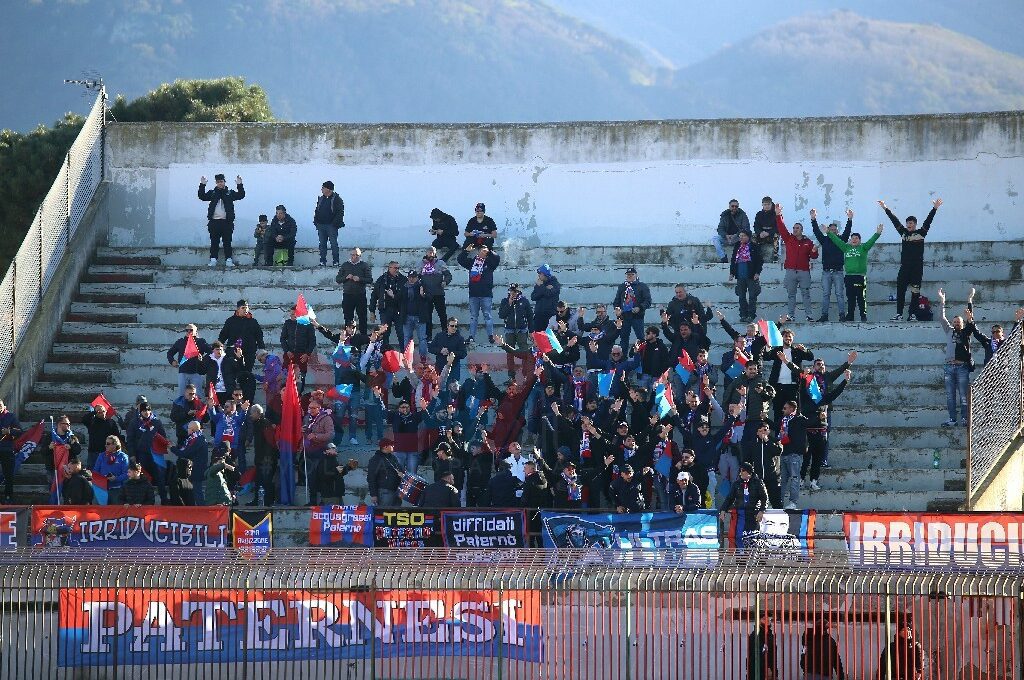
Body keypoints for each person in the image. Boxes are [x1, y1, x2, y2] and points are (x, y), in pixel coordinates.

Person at [880, 197, 942, 321]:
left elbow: (928, 221)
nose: (909, 225)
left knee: (915, 292)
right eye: (907, 223)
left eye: (911, 223)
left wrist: (934, 208)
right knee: (900, 290)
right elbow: (894, 220)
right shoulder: (903, 233)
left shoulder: (921, 233)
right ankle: (899, 314)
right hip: (904, 267)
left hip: (917, 268)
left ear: (915, 224)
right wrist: (885, 208)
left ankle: (912, 314)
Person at [828, 223, 883, 323]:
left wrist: (878, 233)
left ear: (860, 240)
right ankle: (850, 316)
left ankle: (863, 316)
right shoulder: (846, 248)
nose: (854, 239)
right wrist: (828, 232)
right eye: (853, 238)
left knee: (861, 297)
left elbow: (871, 241)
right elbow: (837, 240)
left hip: (860, 277)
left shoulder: (864, 248)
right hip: (849, 277)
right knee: (850, 298)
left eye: (856, 238)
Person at [938, 288, 976, 426]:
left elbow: (970, 319)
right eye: (954, 322)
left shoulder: (966, 332)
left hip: (962, 367)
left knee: (963, 395)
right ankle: (952, 419)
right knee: (950, 395)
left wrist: (970, 300)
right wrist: (942, 301)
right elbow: (942, 318)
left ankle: (965, 418)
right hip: (949, 367)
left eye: (958, 322)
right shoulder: (949, 330)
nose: (956, 324)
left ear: (962, 323)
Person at [774, 204, 819, 321]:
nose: (794, 230)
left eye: (797, 228)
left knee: (806, 294)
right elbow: (781, 227)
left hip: (804, 272)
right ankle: (791, 316)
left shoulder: (808, 242)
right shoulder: (788, 238)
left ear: (802, 230)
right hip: (790, 271)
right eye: (794, 228)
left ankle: (809, 315)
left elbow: (814, 256)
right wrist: (778, 214)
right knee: (791, 295)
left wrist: (814, 250)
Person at [811, 208, 852, 322]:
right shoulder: (824, 240)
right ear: (828, 231)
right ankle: (824, 316)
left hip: (838, 272)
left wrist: (850, 219)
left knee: (839, 294)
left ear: (837, 231)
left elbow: (847, 231)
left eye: (835, 230)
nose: (833, 231)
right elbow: (816, 231)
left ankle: (842, 316)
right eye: (831, 230)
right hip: (826, 272)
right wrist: (813, 219)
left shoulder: (842, 239)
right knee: (826, 294)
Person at [457, 243, 501, 344]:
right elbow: (460, 260)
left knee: (487, 316)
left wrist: (490, 251)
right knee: (473, 317)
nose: (483, 252)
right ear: (478, 251)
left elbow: (497, 258)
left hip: (486, 294)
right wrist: (466, 251)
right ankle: (471, 337)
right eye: (482, 250)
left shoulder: (490, 262)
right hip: (473, 294)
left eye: (485, 251)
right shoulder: (472, 262)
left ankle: (491, 336)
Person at [198, 173, 244, 267]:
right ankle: (213, 260)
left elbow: (241, 195)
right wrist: (202, 184)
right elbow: (202, 196)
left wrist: (239, 184)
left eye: (221, 181)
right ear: (216, 183)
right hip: (214, 222)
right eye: (218, 182)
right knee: (214, 242)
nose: (220, 183)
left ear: (224, 182)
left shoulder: (229, 193)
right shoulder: (212, 193)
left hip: (227, 222)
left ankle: (228, 260)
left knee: (227, 242)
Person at [303, 400, 335, 505]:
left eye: (313, 408)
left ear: (319, 408)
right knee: (310, 477)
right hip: (308, 451)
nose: (311, 410)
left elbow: (331, 435)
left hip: (321, 451)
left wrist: (316, 436)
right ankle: (312, 501)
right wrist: (302, 430)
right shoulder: (307, 418)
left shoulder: (326, 418)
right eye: (309, 408)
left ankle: (323, 501)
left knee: (321, 477)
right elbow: (306, 430)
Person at [218, 299, 265, 372]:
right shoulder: (230, 321)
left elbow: (259, 336)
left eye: (246, 307)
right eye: (243, 308)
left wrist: (261, 348)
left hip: (249, 352)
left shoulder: (253, 321)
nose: (245, 310)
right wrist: (218, 347)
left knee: (247, 373)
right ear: (238, 309)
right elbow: (223, 335)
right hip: (233, 352)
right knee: (233, 373)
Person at [499, 283, 533, 379]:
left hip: (522, 330)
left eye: (515, 291)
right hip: (509, 330)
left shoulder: (524, 301)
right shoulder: (505, 301)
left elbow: (530, 316)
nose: (513, 293)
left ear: (519, 292)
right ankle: (511, 376)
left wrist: (531, 331)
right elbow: (501, 315)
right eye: (511, 291)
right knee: (509, 353)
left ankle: (525, 375)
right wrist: (509, 304)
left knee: (525, 352)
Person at [166, 323, 211, 396]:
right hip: (183, 372)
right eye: (187, 330)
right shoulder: (180, 341)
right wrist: (172, 361)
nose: (189, 331)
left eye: (191, 330)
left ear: (196, 331)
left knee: (198, 395)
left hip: (197, 372)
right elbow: (169, 353)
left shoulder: (201, 341)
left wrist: (203, 359)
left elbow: (211, 352)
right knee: (182, 395)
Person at [335, 247, 373, 334]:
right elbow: (338, 279)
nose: (354, 257)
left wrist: (360, 279)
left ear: (360, 256)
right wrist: (346, 277)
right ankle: (348, 338)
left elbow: (370, 280)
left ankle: (363, 337)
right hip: (347, 295)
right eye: (352, 255)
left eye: (356, 255)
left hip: (360, 295)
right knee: (348, 318)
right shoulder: (345, 265)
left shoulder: (364, 265)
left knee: (362, 318)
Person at [281, 304, 317, 393]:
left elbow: (312, 341)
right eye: (291, 314)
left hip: (302, 356)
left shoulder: (308, 325)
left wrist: (307, 354)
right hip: (289, 355)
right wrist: (287, 351)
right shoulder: (288, 323)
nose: (291, 316)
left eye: (293, 314)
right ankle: (286, 395)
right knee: (286, 378)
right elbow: (283, 339)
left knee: (301, 378)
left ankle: (299, 395)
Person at [370, 261, 407, 347]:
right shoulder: (381, 279)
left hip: (399, 310)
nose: (397, 270)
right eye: (395, 268)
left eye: (398, 268)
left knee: (401, 333)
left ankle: (404, 353)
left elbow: (405, 296)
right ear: (389, 268)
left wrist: (394, 296)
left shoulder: (403, 279)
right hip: (385, 310)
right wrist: (372, 311)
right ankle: (385, 352)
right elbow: (374, 295)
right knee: (385, 333)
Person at [876, 613, 924, 680]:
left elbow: (920, 662)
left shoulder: (916, 646)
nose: (907, 632)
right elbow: (883, 664)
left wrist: (919, 672)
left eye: (909, 630)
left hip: (910, 677)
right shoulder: (891, 646)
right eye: (904, 630)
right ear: (899, 632)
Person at [720, 462, 769, 527]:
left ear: (749, 472)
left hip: (753, 513)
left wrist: (761, 511)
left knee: (752, 532)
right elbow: (729, 498)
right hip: (740, 513)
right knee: (739, 532)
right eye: (740, 471)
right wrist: (723, 510)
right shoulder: (736, 484)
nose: (740, 473)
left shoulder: (758, 483)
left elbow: (764, 498)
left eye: (743, 470)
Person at [729, 231, 763, 323]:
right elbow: (733, 260)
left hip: (751, 275)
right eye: (740, 236)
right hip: (740, 275)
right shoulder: (737, 246)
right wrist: (732, 273)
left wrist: (757, 273)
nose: (741, 237)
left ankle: (751, 315)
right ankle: (743, 314)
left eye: (743, 236)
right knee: (741, 296)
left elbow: (759, 261)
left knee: (752, 296)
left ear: (748, 237)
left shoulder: (754, 246)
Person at [613, 267, 652, 347]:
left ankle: (642, 354)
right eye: (628, 274)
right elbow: (617, 301)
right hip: (624, 316)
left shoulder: (642, 286)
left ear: (636, 275)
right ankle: (623, 354)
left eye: (632, 274)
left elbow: (648, 301)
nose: (630, 276)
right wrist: (617, 309)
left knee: (641, 337)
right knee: (623, 338)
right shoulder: (622, 286)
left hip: (637, 316)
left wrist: (640, 308)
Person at [420, 246, 453, 338]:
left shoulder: (440, 263)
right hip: (427, 294)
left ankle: (446, 335)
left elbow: (448, 275)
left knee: (442, 316)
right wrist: (420, 287)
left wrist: (445, 281)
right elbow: (416, 277)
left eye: (432, 252)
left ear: (435, 253)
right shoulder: (421, 264)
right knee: (428, 316)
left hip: (439, 293)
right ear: (426, 253)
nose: (430, 254)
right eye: (429, 252)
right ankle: (428, 337)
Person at [800, 616, 845, 680]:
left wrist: (803, 666)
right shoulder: (830, 641)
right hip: (824, 675)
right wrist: (841, 677)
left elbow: (803, 652)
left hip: (810, 673)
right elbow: (837, 661)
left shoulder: (808, 638)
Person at [174, 420, 209, 504]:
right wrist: (176, 447)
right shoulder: (194, 438)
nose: (187, 430)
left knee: (197, 492)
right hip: (194, 468)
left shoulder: (198, 440)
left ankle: (201, 509)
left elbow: (185, 453)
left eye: (189, 428)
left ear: (193, 430)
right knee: (194, 492)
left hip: (197, 470)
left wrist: (172, 448)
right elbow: (186, 449)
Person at [80, 400, 122, 469]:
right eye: (99, 412)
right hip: (94, 452)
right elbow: (84, 420)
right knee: (92, 471)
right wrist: (94, 412)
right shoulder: (92, 421)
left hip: (108, 451)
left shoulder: (111, 422)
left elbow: (116, 436)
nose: (102, 413)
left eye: (103, 411)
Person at [313, 180, 345, 267]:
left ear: (328, 189)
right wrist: (316, 222)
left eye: (323, 188)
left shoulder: (337, 199)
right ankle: (322, 261)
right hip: (321, 225)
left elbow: (340, 213)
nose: (321, 189)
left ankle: (336, 261)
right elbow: (317, 210)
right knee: (322, 244)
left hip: (331, 226)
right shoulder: (321, 199)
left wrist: (334, 224)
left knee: (333, 244)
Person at [401, 270, 430, 362]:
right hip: (407, 316)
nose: (411, 279)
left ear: (417, 278)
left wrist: (423, 294)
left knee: (422, 338)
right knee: (407, 338)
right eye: (409, 277)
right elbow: (400, 299)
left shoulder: (423, 285)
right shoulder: (404, 286)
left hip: (419, 317)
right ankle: (407, 357)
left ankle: (423, 358)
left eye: (413, 277)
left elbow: (430, 298)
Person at [92, 435, 129, 505]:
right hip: (102, 489)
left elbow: (126, 474)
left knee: (116, 510)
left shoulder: (123, 457)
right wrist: (102, 478)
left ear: (115, 445)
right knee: (100, 510)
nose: (106, 445)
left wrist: (116, 478)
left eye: (108, 444)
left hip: (117, 489)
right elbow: (95, 471)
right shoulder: (101, 456)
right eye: (106, 443)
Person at [367, 438, 404, 506]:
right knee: (385, 511)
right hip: (385, 491)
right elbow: (371, 477)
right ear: (385, 447)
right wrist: (373, 495)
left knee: (396, 511)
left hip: (396, 490)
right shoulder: (375, 459)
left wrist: (402, 473)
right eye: (391, 445)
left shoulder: (393, 457)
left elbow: (400, 469)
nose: (393, 446)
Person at [429, 317, 468, 382]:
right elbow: (430, 348)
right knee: (440, 386)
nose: (454, 328)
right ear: (447, 326)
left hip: (453, 369)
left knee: (452, 387)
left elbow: (463, 353)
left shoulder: (460, 338)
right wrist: (440, 350)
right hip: (440, 367)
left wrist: (451, 353)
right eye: (452, 326)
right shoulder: (439, 336)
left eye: (456, 326)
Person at [0, 399, 23, 502]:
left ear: (4, 406)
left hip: (7, 449)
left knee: (8, 474)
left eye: (0, 405)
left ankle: (8, 497)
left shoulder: (11, 416)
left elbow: (20, 431)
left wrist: (9, 431)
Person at [716, 198, 750, 263]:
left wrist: (736, 235)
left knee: (746, 238)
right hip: (727, 238)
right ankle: (723, 257)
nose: (734, 208)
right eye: (732, 206)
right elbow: (720, 228)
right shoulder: (724, 215)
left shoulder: (743, 215)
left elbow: (746, 228)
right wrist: (726, 235)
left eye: (736, 206)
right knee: (715, 238)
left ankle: (742, 259)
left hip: (738, 238)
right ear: (729, 206)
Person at [747, 612, 778, 680]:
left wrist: (774, 672)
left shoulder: (770, 635)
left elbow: (772, 655)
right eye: (764, 619)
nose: (768, 620)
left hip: (769, 671)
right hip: (759, 673)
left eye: (769, 619)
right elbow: (758, 655)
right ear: (758, 621)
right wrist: (768, 668)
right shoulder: (756, 636)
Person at [531, 264, 561, 332]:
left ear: (545, 274)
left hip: (549, 316)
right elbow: (533, 297)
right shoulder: (539, 283)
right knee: (538, 336)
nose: (538, 275)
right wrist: (544, 288)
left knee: (548, 336)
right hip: (539, 315)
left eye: (540, 273)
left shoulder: (555, 284)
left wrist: (541, 286)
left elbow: (548, 294)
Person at [752, 196, 779, 263]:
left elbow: (777, 227)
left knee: (775, 238)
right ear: (762, 205)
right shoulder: (759, 214)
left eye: (768, 204)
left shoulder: (776, 214)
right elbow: (756, 226)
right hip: (761, 235)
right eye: (765, 204)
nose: (767, 206)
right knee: (752, 237)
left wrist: (768, 233)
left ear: (771, 204)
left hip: (772, 235)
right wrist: (760, 232)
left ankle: (775, 256)